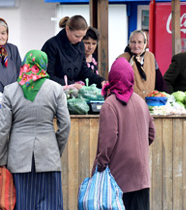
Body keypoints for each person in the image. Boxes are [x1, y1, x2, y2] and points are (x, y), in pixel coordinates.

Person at [0, 50, 71, 210]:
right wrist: (56, 149)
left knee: (23, 204)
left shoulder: (10, 90)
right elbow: (65, 125)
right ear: (44, 66)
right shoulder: (56, 89)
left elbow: (3, 130)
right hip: (48, 157)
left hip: (19, 158)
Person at [92, 57, 155, 210]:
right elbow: (151, 134)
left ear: (112, 77)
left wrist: (100, 164)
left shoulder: (110, 104)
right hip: (141, 175)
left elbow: (108, 140)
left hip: (119, 176)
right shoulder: (141, 101)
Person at [41, 15, 105, 89]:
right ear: (67, 29)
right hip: (55, 91)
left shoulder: (80, 45)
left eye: (82, 36)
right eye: (77, 36)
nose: (80, 40)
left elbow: (84, 71)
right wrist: (71, 85)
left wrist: (100, 80)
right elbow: (47, 76)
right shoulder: (51, 45)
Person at [118, 30, 167, 99]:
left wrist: (167, 96)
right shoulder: (122, 59)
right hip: (130, 102)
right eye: (133, 42)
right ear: (129, 43)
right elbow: (116, 82)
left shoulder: (150, 57)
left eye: (140, 42)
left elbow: (159, 80)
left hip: (149, 102)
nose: (136, 46)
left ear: (145, 43)